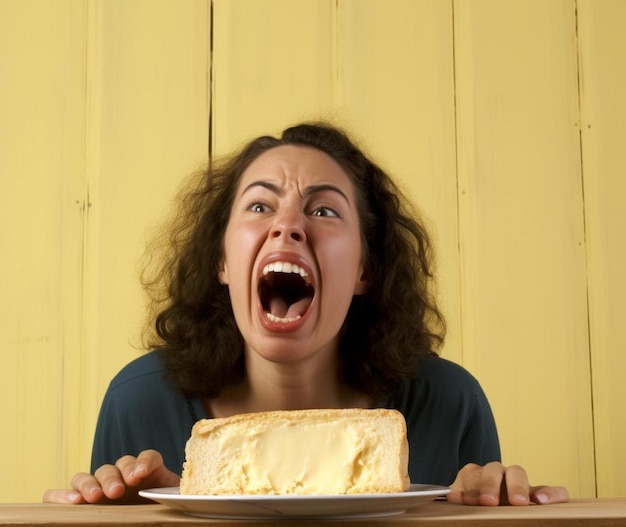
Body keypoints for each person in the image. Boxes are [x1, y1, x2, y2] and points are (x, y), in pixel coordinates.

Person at [43, 122, 568, 507]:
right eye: (259, 206)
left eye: (323, 211)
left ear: (365, 268)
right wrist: (114, 511)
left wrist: (499, 508)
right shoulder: (139, 403)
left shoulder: (448, 404)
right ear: (223, 260)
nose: (288, 226)